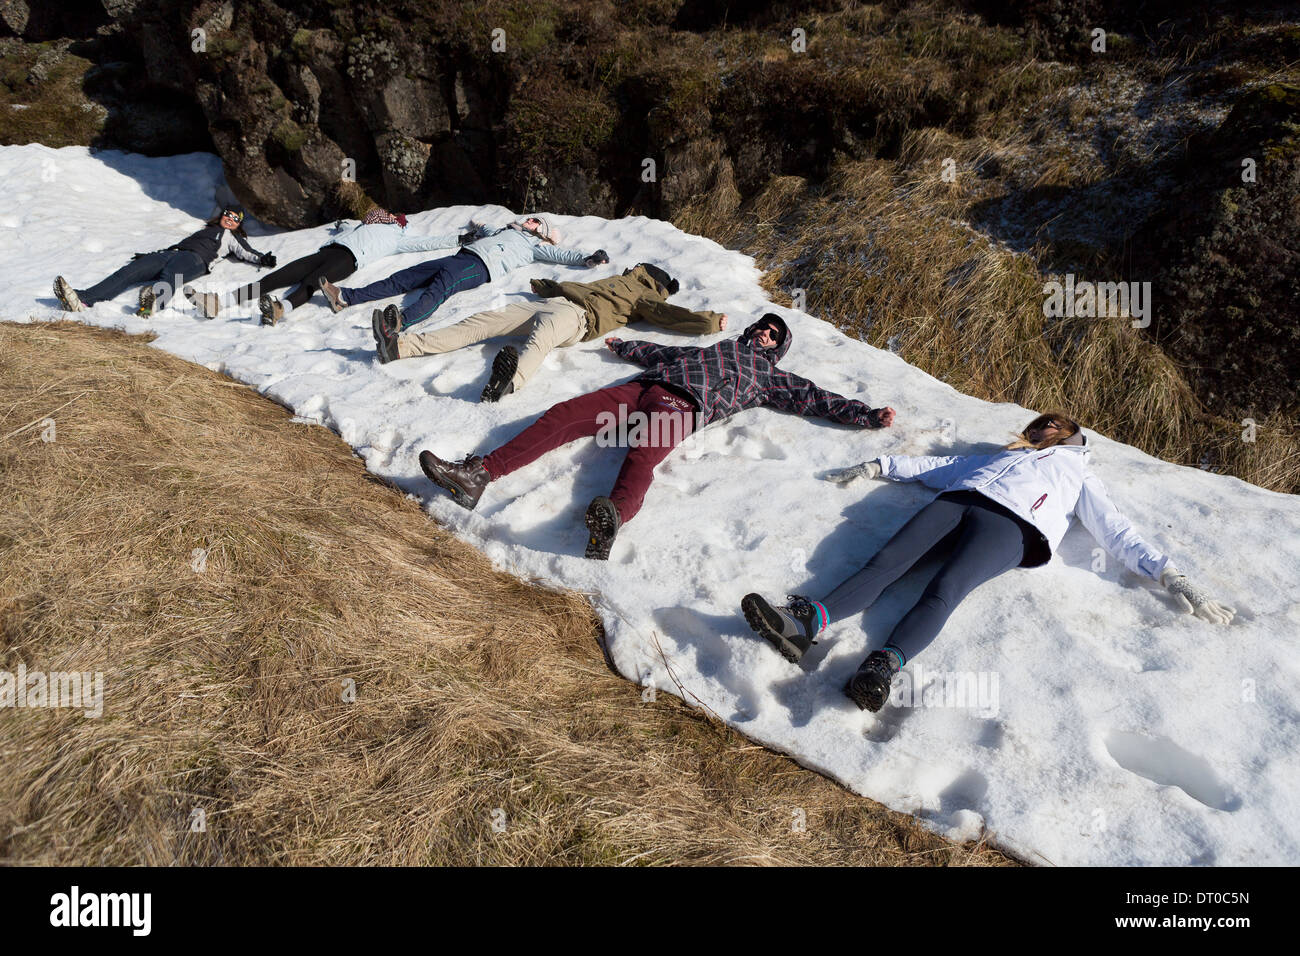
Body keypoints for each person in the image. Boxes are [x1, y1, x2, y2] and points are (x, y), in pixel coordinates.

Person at [740, 412, 1236, 713]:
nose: (1042, 426)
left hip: (1014, 529)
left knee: (945, 589)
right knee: (887, 562)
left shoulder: (1080, 474)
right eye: (1037, 423)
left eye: (1053, 423)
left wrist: (1171, 575)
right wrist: (881, 465)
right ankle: (804, 623)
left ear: (1071, 435)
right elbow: (943, 469)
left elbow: (1117, 531)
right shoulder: (1000, 455)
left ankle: (880, 669)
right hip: (960, 501)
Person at [417, 314, 896, 560]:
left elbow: (815, 397)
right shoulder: (721, 346)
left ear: (779, 348)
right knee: (563, 415)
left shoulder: (772, 377)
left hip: (682, 406)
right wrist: (627, 346)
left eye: (775, 334)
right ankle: (477, 473)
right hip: (641, 388)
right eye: (763, 327)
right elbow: (666, 351)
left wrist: (867, 414)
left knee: (642, 458)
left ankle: (610, 524)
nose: (765, 333)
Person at [370, 263, 729, 403]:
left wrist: (709, 321)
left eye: (638, 266)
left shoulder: (644, 292)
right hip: (556, 303)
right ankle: (399, 347)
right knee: (482, 322)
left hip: (578, 320)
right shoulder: (619, 280)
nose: (631, 266)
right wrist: (547, 286)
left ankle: (507, 383)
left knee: (539, 342)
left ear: (648, 274)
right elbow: (577, 288)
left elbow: (668, 315)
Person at [318, 215, 608, 335]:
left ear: (539, 231)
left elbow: (561, 254)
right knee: (403, 277)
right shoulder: (505, 230)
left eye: (534, 221)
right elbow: (483, 228)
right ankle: (346, 297)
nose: (528, 219)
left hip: (479, 268)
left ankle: (399, 324)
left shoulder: (533, 246)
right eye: (530, 217)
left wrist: (588, 259)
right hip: (461, 257)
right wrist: (476, 225)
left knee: (439, 289)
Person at [183, 206, 454, 325]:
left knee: (310, 285)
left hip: (348, 260)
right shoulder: (366, 223)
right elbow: (353, 223)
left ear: (399, 222)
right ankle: (219, 302)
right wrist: (342, 224)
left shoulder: (398, 236)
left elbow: (425, 244)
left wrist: (459, 238)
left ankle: (280, 310)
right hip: (328, 251)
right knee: (277, 278)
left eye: (394, 216)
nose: (390, 216)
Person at [52, 205, 272, 317]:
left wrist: (263, 258)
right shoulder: (207, 230)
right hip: (171, 252)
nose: (230, 219)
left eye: (236, 219)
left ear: (238, 224)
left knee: (172, 276)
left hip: (196, 260)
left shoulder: (232, 237)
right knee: (129, 272)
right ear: (222, 214)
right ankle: (82, 300)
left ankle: (152, 305)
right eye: (228, 215)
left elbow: (246, 251)